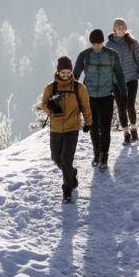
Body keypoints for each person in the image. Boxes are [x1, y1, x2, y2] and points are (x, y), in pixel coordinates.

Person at [73, 28, 126, 171]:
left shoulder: (112, 55)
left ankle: (104, 158)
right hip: (88, 98)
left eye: (99, 43)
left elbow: (120, 75)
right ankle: (96, 154)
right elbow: (75, 75)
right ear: (90, 43)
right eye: (94, 43)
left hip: (106, 97)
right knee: (93, 128)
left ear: (103, 42)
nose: (96, 46)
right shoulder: (84, 56)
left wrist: (124, 93)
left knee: (105, 129)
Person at [42, 55, 92, 204]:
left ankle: (67, 191)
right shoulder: (50, 88)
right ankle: (72, 173)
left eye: (68, 72)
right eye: (63, 72)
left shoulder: (78, 88)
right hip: (56, 129)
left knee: (66, 159)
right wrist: (49, 106)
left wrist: (88, 122)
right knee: (56, 158)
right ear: (58, 72)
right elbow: (43, 104)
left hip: (72, 128)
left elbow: (86, 106)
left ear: (71, 72)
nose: (65, 75)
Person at [107, 17, 139, 145]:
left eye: (123, 27)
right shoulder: (109, 45)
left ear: (126, 28)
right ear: (114, 29)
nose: (121, 29)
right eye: (119, 27)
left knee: (130, 106)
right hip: (116, 82)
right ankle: (126, 133)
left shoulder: (132, 42)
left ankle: (134, 130)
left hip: (131, 79)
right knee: (121, 107)